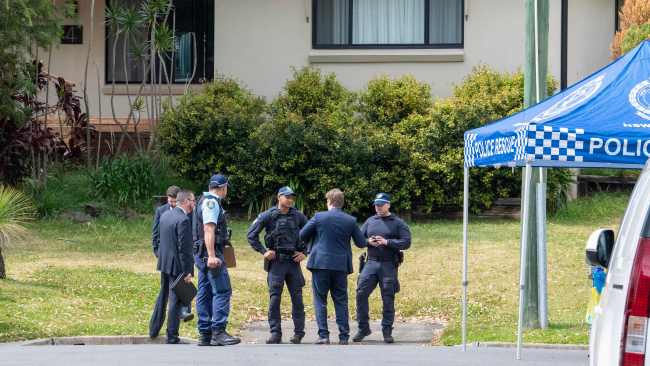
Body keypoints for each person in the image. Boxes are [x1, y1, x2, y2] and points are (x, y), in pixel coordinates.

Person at [299, 188, 366, 345]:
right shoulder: (350, 220)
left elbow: (302, 235)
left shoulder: (319, 217)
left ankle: (323, 335)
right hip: (340, 265)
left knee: (320, 300)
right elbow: (361, 242)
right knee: (341, 300)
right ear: (342, 203)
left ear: (328, 202)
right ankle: (343, 336)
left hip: (320, 263)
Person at [247, 186, 308, 344]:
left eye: (292, 197)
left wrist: (305, 253)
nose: (290, 200)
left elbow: (313, 234)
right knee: (274, 299)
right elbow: (251, 235)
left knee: (298, 299)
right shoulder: (268, 215)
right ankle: (275, 333)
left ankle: (299, 333)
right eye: (287, 197)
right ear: (279, 197)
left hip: (293, 263)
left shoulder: (298, 216)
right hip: (276, 264)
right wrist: (263, 251)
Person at [353, 193, 411, 344]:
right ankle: (363, 328)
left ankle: (387, 331)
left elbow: (406, 242)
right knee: (360, 293)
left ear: (388, 205)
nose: (378, 207)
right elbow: (359, 240)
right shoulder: (370, 221)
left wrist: (387, 242)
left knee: (388, 298)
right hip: (370, 263)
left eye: (381, 204)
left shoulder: (397, 223)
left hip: (388, 265)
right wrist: (368, 241)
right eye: (376, 205)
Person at [192, 174, 240, 346]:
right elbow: (209, 229)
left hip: (200, 254)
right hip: (210, 255)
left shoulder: (202, 200)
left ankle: (205, 334)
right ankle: (218, 331)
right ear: (223, 187)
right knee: (222, 291)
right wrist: (212, 255)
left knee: (204, 292)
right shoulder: (212, 203)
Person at [149, 190, 196, 344]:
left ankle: (154, 328)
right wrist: (188, 271)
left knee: (163, 297)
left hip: (164, 262)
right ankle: (172, 335)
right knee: (175, 300)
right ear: (186, 201)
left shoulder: (165, 215)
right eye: (193, 201)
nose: (194, 204)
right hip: (177, 265)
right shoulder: (183, 220)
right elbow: (184, 249)